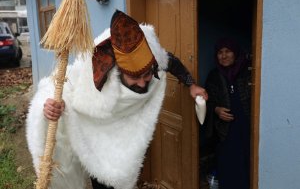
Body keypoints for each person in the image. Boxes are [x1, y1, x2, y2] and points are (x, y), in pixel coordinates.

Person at [26, 10, 207, 189]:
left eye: (147, 75)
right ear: (118, 71)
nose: (143, 84)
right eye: (135, 77)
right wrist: (50, 105)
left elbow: (171, 61)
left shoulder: (153, 58)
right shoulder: (95, 65)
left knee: (128, 167)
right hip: (98, 134)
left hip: (128, 129)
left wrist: (191, 84)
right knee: (103, 179)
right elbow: (65, 85)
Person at [205, 38, 251, 189]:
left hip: (247, 127)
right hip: (225, 130)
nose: (223, 56)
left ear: (235, 53)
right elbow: (206, 101)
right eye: (220, 52)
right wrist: (216, 110)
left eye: (228, 51)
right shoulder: (214, 76)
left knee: (247, 162)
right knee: (228, 163)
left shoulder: (249, 72)